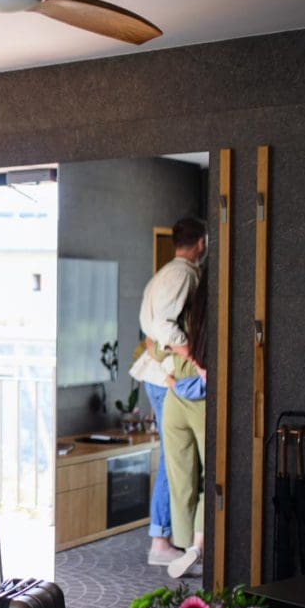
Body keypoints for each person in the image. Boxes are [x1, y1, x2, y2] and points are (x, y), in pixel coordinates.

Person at [128, 217, 207, 566]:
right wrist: (191, 353)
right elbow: (163, 327)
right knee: (177, 462)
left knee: (175, 459)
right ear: (201, 243)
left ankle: (175, 539)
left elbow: (151, 331)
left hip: (159, 370)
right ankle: (163, 540)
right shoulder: (184, 275)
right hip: (169, 376)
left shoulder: (162, 275)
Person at [162, 272, 209, 579]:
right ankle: (199, 545)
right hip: (203, 401)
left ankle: (183, 546)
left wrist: (170, 376)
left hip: (174, 397)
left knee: (180, 479)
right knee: (212, 474)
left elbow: (152, 346)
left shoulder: (175, 316)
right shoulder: (212, 318)